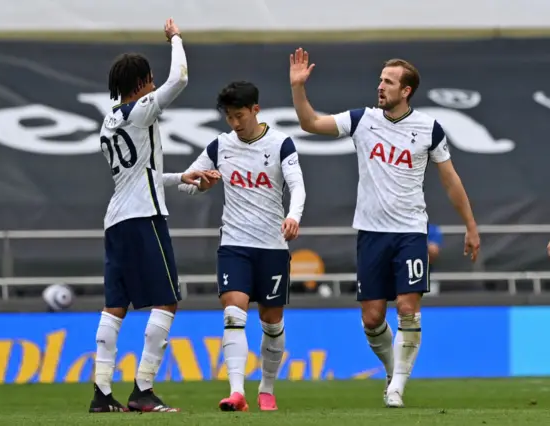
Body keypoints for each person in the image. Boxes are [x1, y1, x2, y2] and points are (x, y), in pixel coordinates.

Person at [289, 48, 480, 408]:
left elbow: (451, 180)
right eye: (380, 80)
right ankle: (394, 371)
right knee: (372, 317)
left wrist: (470, 226)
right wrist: (298, 88)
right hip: (371, 234)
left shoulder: (429, 129)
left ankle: (397, 389)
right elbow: (310, 123)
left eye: (389, 82)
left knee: (408, 308)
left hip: (410, 233)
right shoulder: (362, 120)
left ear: (406, 91)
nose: (380, 86)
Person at [89, 18, 216, 414]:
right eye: (149, 78)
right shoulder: (141, 111)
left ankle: (102, 394)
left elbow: (140, 173)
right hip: (145, 218)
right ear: (142, 82)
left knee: (115, 306)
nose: (154, 82)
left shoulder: (107, 124)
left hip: (117, 221)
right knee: (166, 301)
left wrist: (182, 177)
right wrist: (176, 37)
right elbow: (179, 78)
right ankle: (143, 389)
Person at [178, 81, 306, 412]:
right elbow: (189, 182)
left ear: (255, 110)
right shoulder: (220, 147)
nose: (234, 123)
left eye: (239, 116)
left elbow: (297, 187)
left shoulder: (281, 144)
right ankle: (237, 392)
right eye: (229, 117)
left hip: (272, 247)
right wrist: (200, 185)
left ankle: (266, 388)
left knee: (272, 322)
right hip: (234, 244)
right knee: (233, 312)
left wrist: (293, 216)